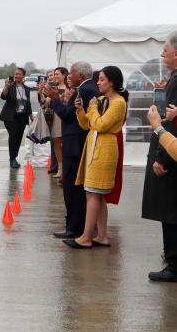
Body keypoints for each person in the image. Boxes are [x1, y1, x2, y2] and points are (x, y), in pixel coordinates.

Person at [63, 66, 128, 249]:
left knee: (92, 194)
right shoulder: (101, 100)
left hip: (104, 150)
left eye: (101, 79)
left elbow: (100, 124)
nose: (98, 83)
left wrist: (91, 109)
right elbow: (87, 125)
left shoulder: (118, 103)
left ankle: (85, 237)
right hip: (94, 147)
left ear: (112, 82)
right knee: (98, 196)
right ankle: (102, 236)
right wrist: (80, 111)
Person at [46, 61, 100, 239]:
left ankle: (73, 228)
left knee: (72, 189)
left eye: (72, 72)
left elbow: (68, 115)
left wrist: (55, 99)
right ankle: (76, 226)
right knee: (75, 189)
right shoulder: (86, 88)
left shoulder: (84, 90)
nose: (69, 75)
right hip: (77, 143)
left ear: (81, 75)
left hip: (75, 145)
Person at [142, 31, 177, 282]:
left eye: (165, 50)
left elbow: (172, 126)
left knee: (170, 210)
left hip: (171, 157)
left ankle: (174, 264)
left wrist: (162, 158)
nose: (162, 54)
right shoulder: (172, 79)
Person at [0, 67, 33, 169]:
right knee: (13, 136)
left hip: (22, 116)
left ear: (23, 76)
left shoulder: (26, 88)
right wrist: (6, 87)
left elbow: (28, 103)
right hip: (10, 116)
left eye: (19, 74)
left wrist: (30, 115)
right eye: (16, 74)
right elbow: (3, 97)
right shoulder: (10, 86)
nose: (17, 76)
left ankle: (14, 157)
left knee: (18, 138)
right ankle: (12, 159)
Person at [49, 67, 69, 180]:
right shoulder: (52, 88)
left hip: (65, 116)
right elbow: (46, 103)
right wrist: (44, 95)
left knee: (65, 142)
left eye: (57, 74)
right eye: (54, 74)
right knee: (56, 141)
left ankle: (66, 169)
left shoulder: (69, 87)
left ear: (64, 75)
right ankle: (60, 168)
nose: (55, 76)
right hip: (55, 116)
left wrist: (63, 99)